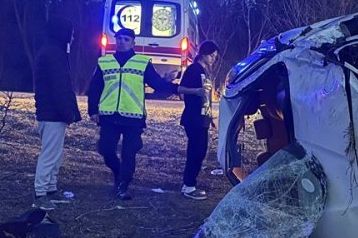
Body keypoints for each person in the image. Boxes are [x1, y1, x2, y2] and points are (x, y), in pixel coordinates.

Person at [86, 27, 201, 200]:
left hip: (133, 116)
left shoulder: (142, 62)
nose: (121, 42)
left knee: (129, 153)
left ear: (133, 42)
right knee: (106, 149)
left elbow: (158, 85)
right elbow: (95, 88)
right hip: (109, 115)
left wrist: (176, 87)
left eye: (126, 39)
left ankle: (123, 186)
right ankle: (118, 173)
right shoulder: (104, 62)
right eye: (119, 39)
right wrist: (92, 110)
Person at [32, 16, 82, 210]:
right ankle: (41, 192)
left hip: (51, 112)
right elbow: (59, 87)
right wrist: (67, 112)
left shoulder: (51, 51)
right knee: (50, 154)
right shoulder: (54, 54)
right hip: (53, 113)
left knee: (54, 153)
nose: (73, 37)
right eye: (71, 33)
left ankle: (50, 189)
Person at [179, 40, 219, 200]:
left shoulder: (206, 72)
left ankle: (190, 184)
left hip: (203, 118)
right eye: (211, 56)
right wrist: (197, 90)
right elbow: (180, 89)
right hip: (193, 117)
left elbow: (207, 97)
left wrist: (211, 116)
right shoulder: (193, 69)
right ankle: (188, 185)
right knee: (196, 151)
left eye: (215, 57)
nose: (213, 59)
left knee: (201, 151)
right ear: (203, 53)